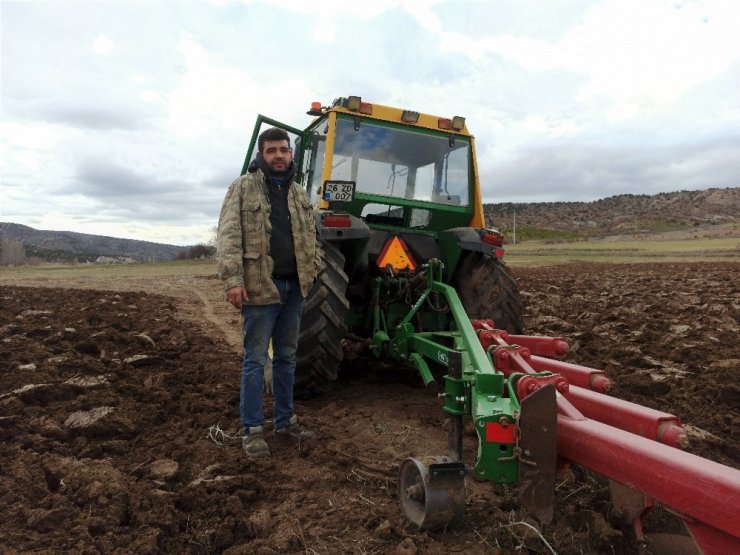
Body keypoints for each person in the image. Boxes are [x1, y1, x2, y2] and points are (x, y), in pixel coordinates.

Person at [217, 127, 317, 458]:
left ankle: (286, 421)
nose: (278, 155)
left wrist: (312, 272)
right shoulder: (243, 187)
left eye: (283, 150)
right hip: (261, 289)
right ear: (262, 154)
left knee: (287, 357)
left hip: (294, 289)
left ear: (291, 154)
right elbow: (229, 236)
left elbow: (310, 237)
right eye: (271, 150)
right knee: (256, 360)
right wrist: (233, 280)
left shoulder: (300, 194)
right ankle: (253, 428)